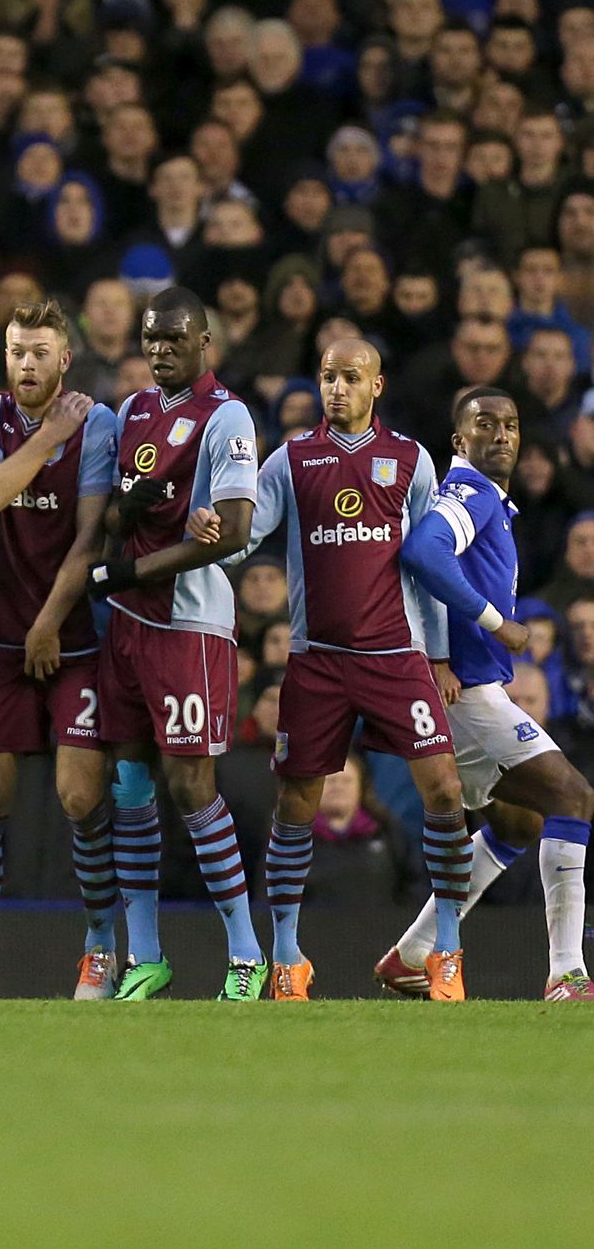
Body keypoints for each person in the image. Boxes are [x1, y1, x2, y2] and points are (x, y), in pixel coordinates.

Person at [216, 339, 471, 1001]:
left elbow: (432, 562)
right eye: (327, 376)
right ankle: (286, 955)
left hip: (395, 654)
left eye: (349, 377)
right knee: (295, 803)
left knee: (443, 788)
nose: (336, 388)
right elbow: (250, 533)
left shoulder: (410, 460)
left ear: (376, 384)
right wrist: (210, 532)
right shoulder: (292, 458)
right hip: (317, 660)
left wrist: (438, 654)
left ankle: (445, 947)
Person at [85, 286, 267, 1001]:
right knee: (128, 785)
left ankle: (245, 952)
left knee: (192, 786)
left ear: (203, 342)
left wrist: (128, 564)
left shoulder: (227, 417)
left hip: (188, 625)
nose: (158, 349)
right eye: (149, 338)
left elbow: (236, 526)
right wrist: (120, 519)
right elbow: (112, 515)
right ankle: (145, 955)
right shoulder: (130, 411)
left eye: (173, 338)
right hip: (126, 625)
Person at [388, 387, 594, 1000]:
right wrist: (493, 621)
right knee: (574, 797)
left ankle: (413, 954)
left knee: (519, 820)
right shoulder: (470, 494)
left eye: (511, 424)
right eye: (486, 424)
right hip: (469, 695)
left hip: (467, 686)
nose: (502, 434)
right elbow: (423, 553)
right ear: (460, 441)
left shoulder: (489, 501)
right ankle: (567, 972)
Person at [0, 299, 122, 1000]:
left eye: (39, 351)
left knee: (79, 794)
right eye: (16, 350)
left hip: (74, 640)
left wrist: (49, 621)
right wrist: (48, 436)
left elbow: (89, 536)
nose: (25, 362)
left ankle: (101, 950)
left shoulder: (100, 423)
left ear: (64, 358)